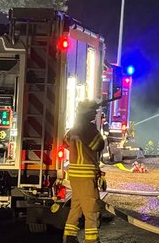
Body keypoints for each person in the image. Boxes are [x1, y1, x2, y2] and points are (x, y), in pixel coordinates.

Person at [64, 100, 105, 243]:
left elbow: (65, 141)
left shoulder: (74, 129)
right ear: (87, 113)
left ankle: (69, 238)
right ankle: (92, 240)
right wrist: (96, 131)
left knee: (76, 207)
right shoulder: (88, 129)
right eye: (93, 111)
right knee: (91, 210)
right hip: (86, 176)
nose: (95, 113)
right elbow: (98, 145)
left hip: (75, 175)